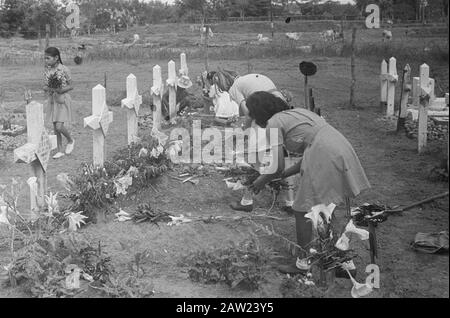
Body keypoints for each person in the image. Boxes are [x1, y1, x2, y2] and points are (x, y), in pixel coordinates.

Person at [244, 91, 371, 272]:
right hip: (338, 146)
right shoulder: (296, 113)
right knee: (328, 207)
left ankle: (303, 263)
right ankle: (343, 262)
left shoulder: (273, 123)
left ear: (259, 113)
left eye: (252, 113)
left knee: (301, 210)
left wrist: (261, 181)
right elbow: (307, 155)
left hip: (324, 152)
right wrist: (283, 174)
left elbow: (278, 165)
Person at [208, 70, 295, 213]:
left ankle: (246, 201)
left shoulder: (235, 87)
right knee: (282, 159)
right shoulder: (252, 79)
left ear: (223, 83)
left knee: (252, 163)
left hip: (265, 118)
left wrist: (245, 131)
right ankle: (290, 203)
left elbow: (249, 112)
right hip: (281, 115)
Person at [43, 47, 74, 159]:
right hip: (53, 101)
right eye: (45, 58)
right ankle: (60, 150)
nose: (46, 61)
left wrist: (61, 90)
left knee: (60, 126)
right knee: (55, 127)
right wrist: (46, 88)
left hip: (62, 100)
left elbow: (71, 85)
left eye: (48, 58)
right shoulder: (47, 71)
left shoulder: (64, 69)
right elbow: (46, 85)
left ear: (56, 58)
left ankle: (70, 140)